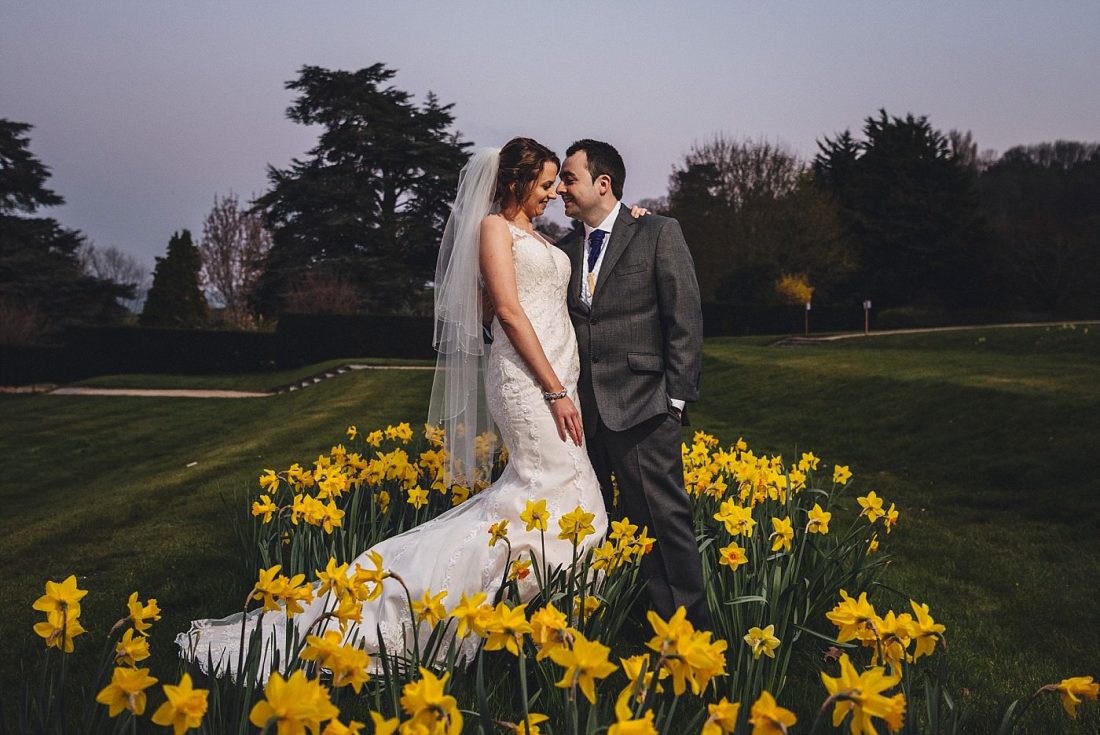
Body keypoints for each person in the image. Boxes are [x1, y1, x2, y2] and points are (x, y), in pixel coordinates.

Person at [176, 138, 611, 676]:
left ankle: (522, 624)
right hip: (531, 382)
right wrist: (552, 389)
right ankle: (439, 614)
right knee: (560, 496)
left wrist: (627, 214)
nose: (552, 194)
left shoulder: (538, 236)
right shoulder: (493, 229)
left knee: (549, 498)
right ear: (517, 182)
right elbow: (505, 311)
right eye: (545, 184)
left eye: (555, 184)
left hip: (556, 371)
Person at [556, 139, 712, 629]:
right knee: (600, 525)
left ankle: (691, 638)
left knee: (665, 522)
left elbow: (684, 317)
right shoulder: (562, 251)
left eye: (569, 177)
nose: (561, 187)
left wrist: (676, 401)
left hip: (645, 405)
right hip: (583, 415)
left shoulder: (659, 232)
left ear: (603, 184)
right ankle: (622, 621)